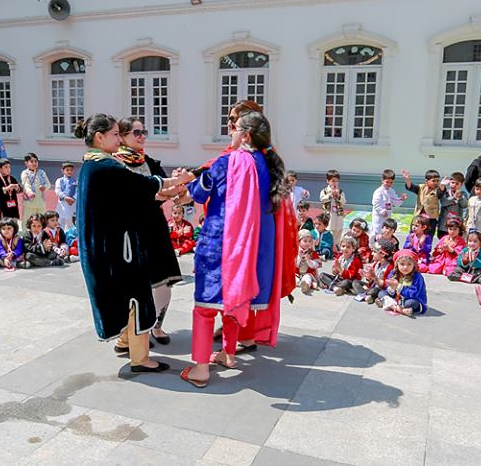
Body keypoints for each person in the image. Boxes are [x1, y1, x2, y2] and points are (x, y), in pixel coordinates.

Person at [74, 114, 193, 376]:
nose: (122, 138)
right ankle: (141, 358)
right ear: (100, 137)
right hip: (118, 246)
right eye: (117, 134)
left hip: (109, 246)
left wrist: (170, 188)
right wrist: (180, 180)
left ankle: (125, 341)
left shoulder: (94, 165)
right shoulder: (106, 167)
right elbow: (143, 185)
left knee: (126, 295)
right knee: (137, 296)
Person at [181, 111, 291, 388]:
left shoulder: (226, 163)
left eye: (234, 128)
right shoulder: (268, 164)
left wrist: (186, 179)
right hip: (254, 249)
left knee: (206, 308)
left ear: (246, 135)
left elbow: (198, 194)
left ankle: (201, 368)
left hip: (221, 245)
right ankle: (228, 353)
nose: (230, 132)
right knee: (234, 302)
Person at [113, 116, 185, 346]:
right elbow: (140, 194)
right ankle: (132, 335)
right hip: (130, 232)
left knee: (163, 281)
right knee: (133, 285)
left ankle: (156, 326)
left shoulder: (150, 162)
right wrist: (162, 190)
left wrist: (179, 184)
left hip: (154, 226)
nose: (142, 136)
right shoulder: (115, 165)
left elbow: (167, 189)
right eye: (136, 132)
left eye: (144, 132)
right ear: (122, 136)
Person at [379, 249, 428, 317]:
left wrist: (398, 287)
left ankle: (389, 304)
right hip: (396, 297)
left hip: (411, 298)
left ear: (414, 265)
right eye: (402, 264)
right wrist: (391, 288)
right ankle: (401, 309)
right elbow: (388, 288)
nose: (405, 267)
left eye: (409, 264)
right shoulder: (394, 273)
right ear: (397, 265)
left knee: (410, 303)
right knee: (381, 293)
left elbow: (414, 294)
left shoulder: (417, 277)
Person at [402, 169, 442, 238]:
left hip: (430, 219)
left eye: (437, 181)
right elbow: (411, 187)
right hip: (418, 217)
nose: (436, 183)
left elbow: (441, 193)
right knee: (413, 236)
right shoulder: (421, 188)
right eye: (433, 181)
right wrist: (408, 180)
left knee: (427, 238)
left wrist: (443, 186)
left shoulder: (437, 190)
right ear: (426, 181)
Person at [372, 169, 406, 240]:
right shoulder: (378, 191)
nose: (389, 184)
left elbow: (395, 201)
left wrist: (401, 199)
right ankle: (374, 245)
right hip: (379, 216)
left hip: (387, 215)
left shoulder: (391, 191)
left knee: (386, 232)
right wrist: (381, 211)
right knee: (377, 231)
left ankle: (385, 245)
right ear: (382, 180)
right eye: (387, 182)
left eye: (391, 182)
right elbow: (375, 203)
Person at [21, 152, 51, 225]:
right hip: (29, 203)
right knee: (27, 221)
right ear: (26, 163)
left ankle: (41, 235)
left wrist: (45, 187)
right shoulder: (25, 173)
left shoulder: (41, 172)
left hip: (41, 203)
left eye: (36, 161)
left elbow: (48, 184)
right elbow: (26, 185)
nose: (34, 163)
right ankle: (27, 235)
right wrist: (30, 192)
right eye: (31, 161)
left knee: (42, 221)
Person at [320, 169, 347, 246]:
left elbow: (344, 201)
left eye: (337, 181)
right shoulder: (324, 191)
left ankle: (337, 246)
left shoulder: (340, 191)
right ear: (328, 181)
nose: (335, 183)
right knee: (330, 230)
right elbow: (322, 200)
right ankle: (329, 246)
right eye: (333, 181)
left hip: (338, 215)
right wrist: (330, 195)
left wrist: (338, 196)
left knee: (338, 230)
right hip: (329, 215)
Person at [438, 172, 467, 239]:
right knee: (443, 242)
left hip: (457, 226)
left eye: (457, 184)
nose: (454, 185)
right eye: (452, 182)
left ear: (461, 184)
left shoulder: (463, 194)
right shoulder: (445, 192)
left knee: (456, 244)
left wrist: (460, 197)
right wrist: (454, 198)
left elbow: (464, 205)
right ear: (449, 182)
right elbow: (443, 202)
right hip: (444, 226)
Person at [297, 229, 323, 295]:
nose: (308, 243)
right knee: (293, 279)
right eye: (305, 241)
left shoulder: (312, 253)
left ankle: (306, 285)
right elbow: (294, 265)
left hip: (308, 273)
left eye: (310, 241)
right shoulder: (296, 252)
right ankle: (304, 283)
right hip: (296, 273)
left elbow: (315, 265)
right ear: (299, 241)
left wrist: (309, 260)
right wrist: (299, 257)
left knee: (307, 278)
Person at [55, 162, 77, 229]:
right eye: (67, 170)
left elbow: (77, 191)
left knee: (71, 223)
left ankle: (70, 238)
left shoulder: (75, 181)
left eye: (71, 170)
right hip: (62, 204)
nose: (69, 172)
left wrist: (73, 198)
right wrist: (65, 198)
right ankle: (59, 237)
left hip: (72, 204)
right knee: (60, 222)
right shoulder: (59, 180)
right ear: (63, 171)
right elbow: (57, 191)